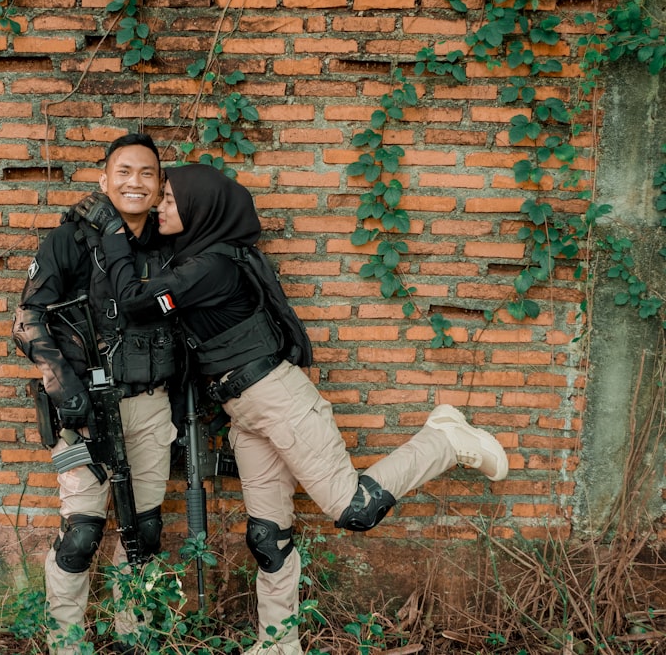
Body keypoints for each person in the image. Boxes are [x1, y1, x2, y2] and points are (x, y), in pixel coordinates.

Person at [84, 163, 509, 655]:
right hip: (245, 409)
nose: (161, 205)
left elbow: (135, 301)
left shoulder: (211, 267)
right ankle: (278, 644)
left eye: (172, 200)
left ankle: (446, 438)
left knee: (354, 509)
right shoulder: (195, 260)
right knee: (269, 537)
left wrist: (114, 233)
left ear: (203, 209)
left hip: (276, 398)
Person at [12, 133, 180, 655]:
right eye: (124, 172)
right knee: (82, 532)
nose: (136, 182)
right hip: (85, 412)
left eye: (147, 174)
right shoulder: (69, 240)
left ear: (159, 186)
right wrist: (65, 388)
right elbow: (26, 320)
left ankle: (135, 637)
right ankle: (67, 645)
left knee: (144, 532)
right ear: (104, 180)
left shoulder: (168, 241)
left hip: (150, 404)